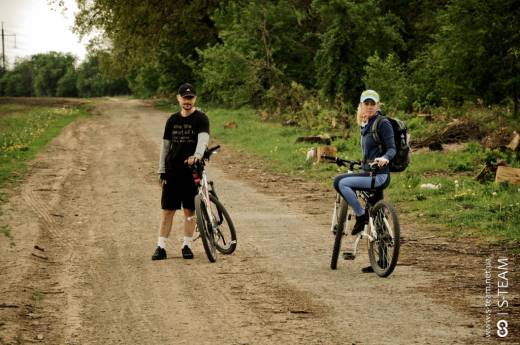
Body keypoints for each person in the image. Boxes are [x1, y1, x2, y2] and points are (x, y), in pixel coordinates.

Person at [333, 90, 396, 272]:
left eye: (372, 104)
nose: (369, 107)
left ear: (378, 105)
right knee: (377, 214)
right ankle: (382, 261)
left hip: (378, 175)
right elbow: (369, 153)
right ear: (360, 106)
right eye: (366, 104)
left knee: (340, 182)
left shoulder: (382, 123)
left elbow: (391, 148)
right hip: (369, 173)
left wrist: (385, 158)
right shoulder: (365, 124)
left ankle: (360, 215)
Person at [152, 83, 210, 260]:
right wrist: (162, 170)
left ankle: (187, 245)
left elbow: (203, 139)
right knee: (168, 211)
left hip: (191, 171)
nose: (188, 101)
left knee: (189, 212)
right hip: (173, 171)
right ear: (178, 99)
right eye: (185, 98)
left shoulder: (201, 119)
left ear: (195, 99)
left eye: (191, 97)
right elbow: (165, 147)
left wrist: (197, 156)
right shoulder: (172, 120)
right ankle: (161, 247)